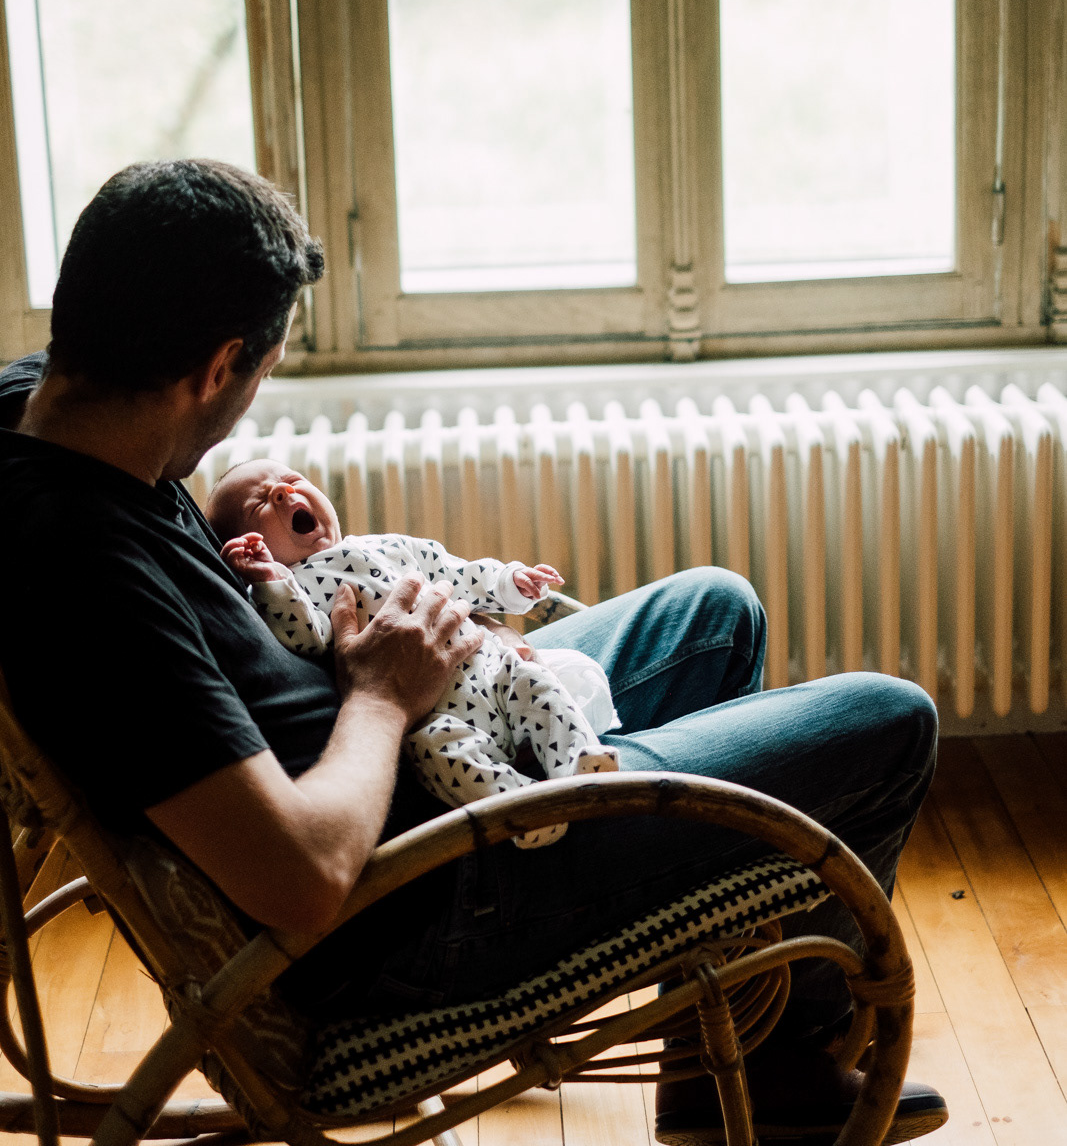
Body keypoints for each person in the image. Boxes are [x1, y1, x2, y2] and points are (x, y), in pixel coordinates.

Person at [0, 159, 946, 1145]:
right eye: (258, 378)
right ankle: (786, 1088)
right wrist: (380, 692)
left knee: (712, 617)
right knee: (887, 723)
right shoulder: (88, 577)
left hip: (407, 736)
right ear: (213, 367)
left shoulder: (44, 411)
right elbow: (300, 879)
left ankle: (730, 1078)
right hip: (424, 891)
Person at [205, 458, 619, 845]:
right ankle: (525, 808)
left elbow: (455, 572)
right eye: (257, 503)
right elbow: (303, 636)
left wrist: (510, 581)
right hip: (437, 716)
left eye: (292, 480)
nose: (281, 491)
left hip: (492, 670)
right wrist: (270, 582)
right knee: (438, 754)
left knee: (539, 685)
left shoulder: (382, 546)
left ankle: (580, 761)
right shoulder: (297, 589)